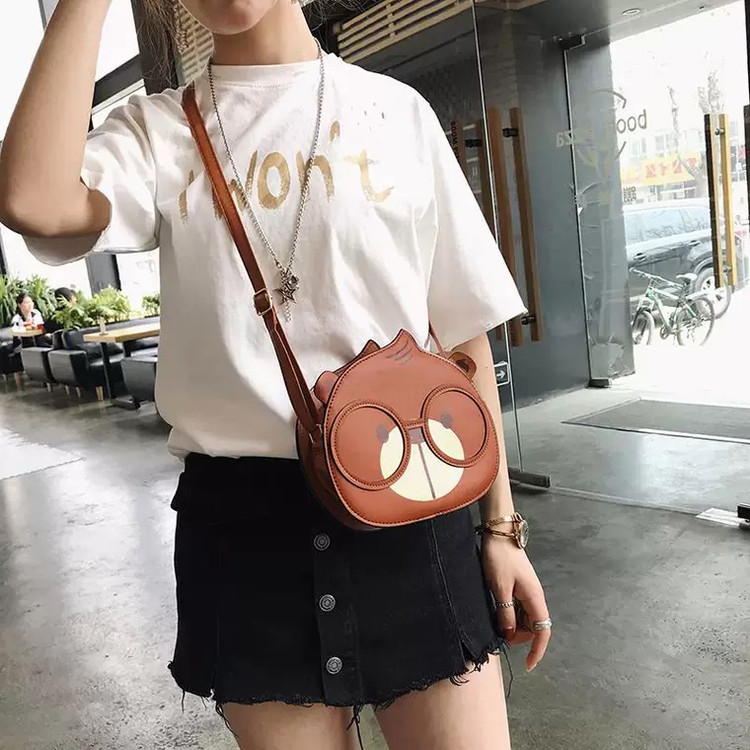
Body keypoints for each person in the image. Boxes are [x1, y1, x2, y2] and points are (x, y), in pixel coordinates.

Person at [0, 1, 551, 749]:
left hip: (412, 493)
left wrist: (502, 528)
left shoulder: (395, 114)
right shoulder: (157, 133)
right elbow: (32, 199)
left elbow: (462, 334)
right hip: (246, 538)